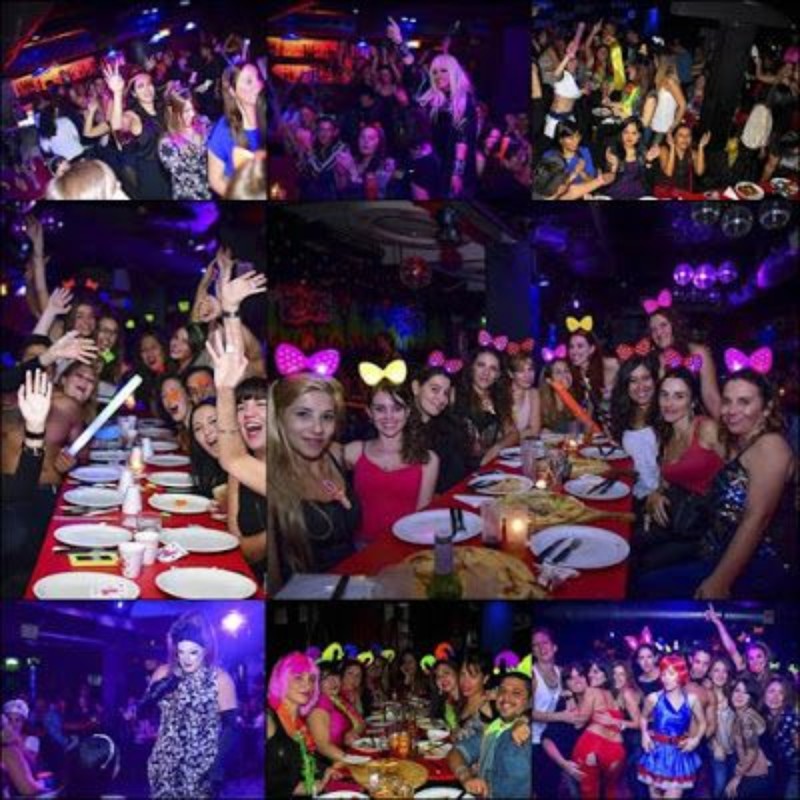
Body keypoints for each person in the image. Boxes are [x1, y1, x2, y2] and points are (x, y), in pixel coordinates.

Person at [634, 369, 724, 581]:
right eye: (664, 395)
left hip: (707, 529)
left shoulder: (707, 428)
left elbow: (741, 468)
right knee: (630, 544)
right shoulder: (667, 434)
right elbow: (666, 479)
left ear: (692, 401)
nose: (669, 403)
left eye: (679, 396)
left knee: (646, 565)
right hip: (679, 520)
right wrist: (655, 494)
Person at [144, 612, 238, 799]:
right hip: (163, 767)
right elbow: (146, 713)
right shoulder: (163, 673)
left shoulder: (220, 679)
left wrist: (216, 767)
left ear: (206, 644)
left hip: (200, 771)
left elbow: (231, 728)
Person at [343, 378, 439, 547]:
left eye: (397, 408)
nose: (389, 416)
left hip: (407, 546)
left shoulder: (428, 460)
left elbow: (421, 518)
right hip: (362, 549)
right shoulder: (354, 451)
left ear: (408, 412)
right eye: (380, 409)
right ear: (369, 413)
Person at [448, 672, 532, 799]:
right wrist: (466, 777)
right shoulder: (494, 729)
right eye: (502, 690)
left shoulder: (527, 733)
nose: (506, 697)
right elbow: (456, 751)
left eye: (516, 693)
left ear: (529, 701)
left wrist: (527, 718)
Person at [267, 652, 334, 797]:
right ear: (281, 680)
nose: (308, 685)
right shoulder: (269, 719)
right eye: (298, 678)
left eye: (312, 679)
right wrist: (296, 788)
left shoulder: (300, 722)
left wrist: (327, 770)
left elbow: (302, 761)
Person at [638, 654, 706, 798]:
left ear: (681, 674)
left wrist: (696, 739)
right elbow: (643, 717)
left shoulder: (692, 700)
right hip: (656, 754)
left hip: (679, 755)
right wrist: (644, 734)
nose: (665, 678)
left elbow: (703, 723)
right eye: (663, 674)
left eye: (671, 674)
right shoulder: (653, 698)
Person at [645, 298, 720, 419]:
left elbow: (710, 396)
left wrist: (724, 428)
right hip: (662, 423)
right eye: (653, 329)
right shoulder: (651, 359)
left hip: (692, 421)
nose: (658, 333)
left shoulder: (697, 352)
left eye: (663, 325)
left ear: (675, 325)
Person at [571, 660, 632, 800]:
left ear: (606, 675)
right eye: (590, 671)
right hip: (616, 749)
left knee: (589, 793)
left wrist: (570, 698)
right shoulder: (614, 695)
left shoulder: (591, 691)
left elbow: (579, 723)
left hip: (593, 745)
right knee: (610, 791)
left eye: (596, 671)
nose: (590, 675)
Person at [410, 360, 471, 492]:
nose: (442, 399)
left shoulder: (449, 429)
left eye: (446, 393)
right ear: (416, 387)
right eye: (435, 389)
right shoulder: (397, 427)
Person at [454, 342, 518, 467]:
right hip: (456, 470)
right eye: (481, 365)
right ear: (472, 367)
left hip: (485, 468)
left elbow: (514, 434)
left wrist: (496, 448)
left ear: (498, 375)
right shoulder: (454, 394)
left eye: (493, 368)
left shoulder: (498, 399)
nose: (486, 373)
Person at [609, 351, 661, 504]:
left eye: (646, 378)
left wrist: (658, 493)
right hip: (633, 496)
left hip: (660, 499)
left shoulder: (666, 413)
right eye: (633, 380)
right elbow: (637, 464)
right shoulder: (625, 415)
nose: (640, 386)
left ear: (655, 380)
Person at [208, 63, 264, 197]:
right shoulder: (224, 130)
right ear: (233, 92)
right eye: (249, 81)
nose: (258, 85)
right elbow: (215, 180)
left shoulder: (267, 115)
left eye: (258, 77)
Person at [541, 662, 589, 800]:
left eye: (580, 675)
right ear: (566, 684)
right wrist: (564, 764)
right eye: (571, 678)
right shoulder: (564, 704)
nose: (577, 680)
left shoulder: (598, 699)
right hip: (572, 767)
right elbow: (546, 739)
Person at [158, 86, 211, 200]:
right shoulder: (167, 144)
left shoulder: (204, 123)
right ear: (173, 112)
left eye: (193, 109)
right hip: (189, 197)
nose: (192, 114)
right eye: (186, 111)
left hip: (212, 191)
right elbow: (187, 178)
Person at [307, 659, 364, 764]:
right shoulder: (318, 706)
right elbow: (323, 746)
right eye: (325, 679)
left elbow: (360, 722)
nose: (333, 682)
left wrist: (351, 733)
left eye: (335, 676)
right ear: (317, 683)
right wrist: (353, 761)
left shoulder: (337, 699)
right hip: (331, 764)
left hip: (346, 755)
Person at [727, 678, 774, 799]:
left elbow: (752, 751)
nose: (739, 695)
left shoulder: (746, 719)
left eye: (745, 692)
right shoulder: (742, 715)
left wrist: (737, 777)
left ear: (751, 697)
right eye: (737, 690)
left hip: (757, 779)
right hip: (756, 776)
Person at [761, 675, 799, 800]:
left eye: (781, 693)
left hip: (792, 769)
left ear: (785, 697)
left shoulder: (791, 717)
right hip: (775, 769)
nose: (775, 697)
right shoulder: (763, 716)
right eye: (771, 691)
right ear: (764, 694)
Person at [658, 125, 710, 193]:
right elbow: (668, 173)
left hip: (684, 192)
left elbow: (699, 172)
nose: (685, 138)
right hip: (664, 191)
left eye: (688, 135)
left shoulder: (693, 153)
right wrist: (672, 147)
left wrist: (701, 147)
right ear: (674, 138)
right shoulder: (664, 150)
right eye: (681, 135)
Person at [508, 348, 542, 439]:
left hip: (521, 445)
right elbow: (504, 434)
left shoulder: (533, 393)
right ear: (510, 374)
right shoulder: (502, 394)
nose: (527, 376)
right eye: (521, 371)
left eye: (530, 369)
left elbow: (535, 431)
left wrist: (513, 437)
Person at [540, 356, 580, 433]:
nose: (565, 375)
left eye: (566, 370)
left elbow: (575, 431)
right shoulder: (540, 401)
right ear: (549, 380)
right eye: (558, 372)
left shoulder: (576, 397)